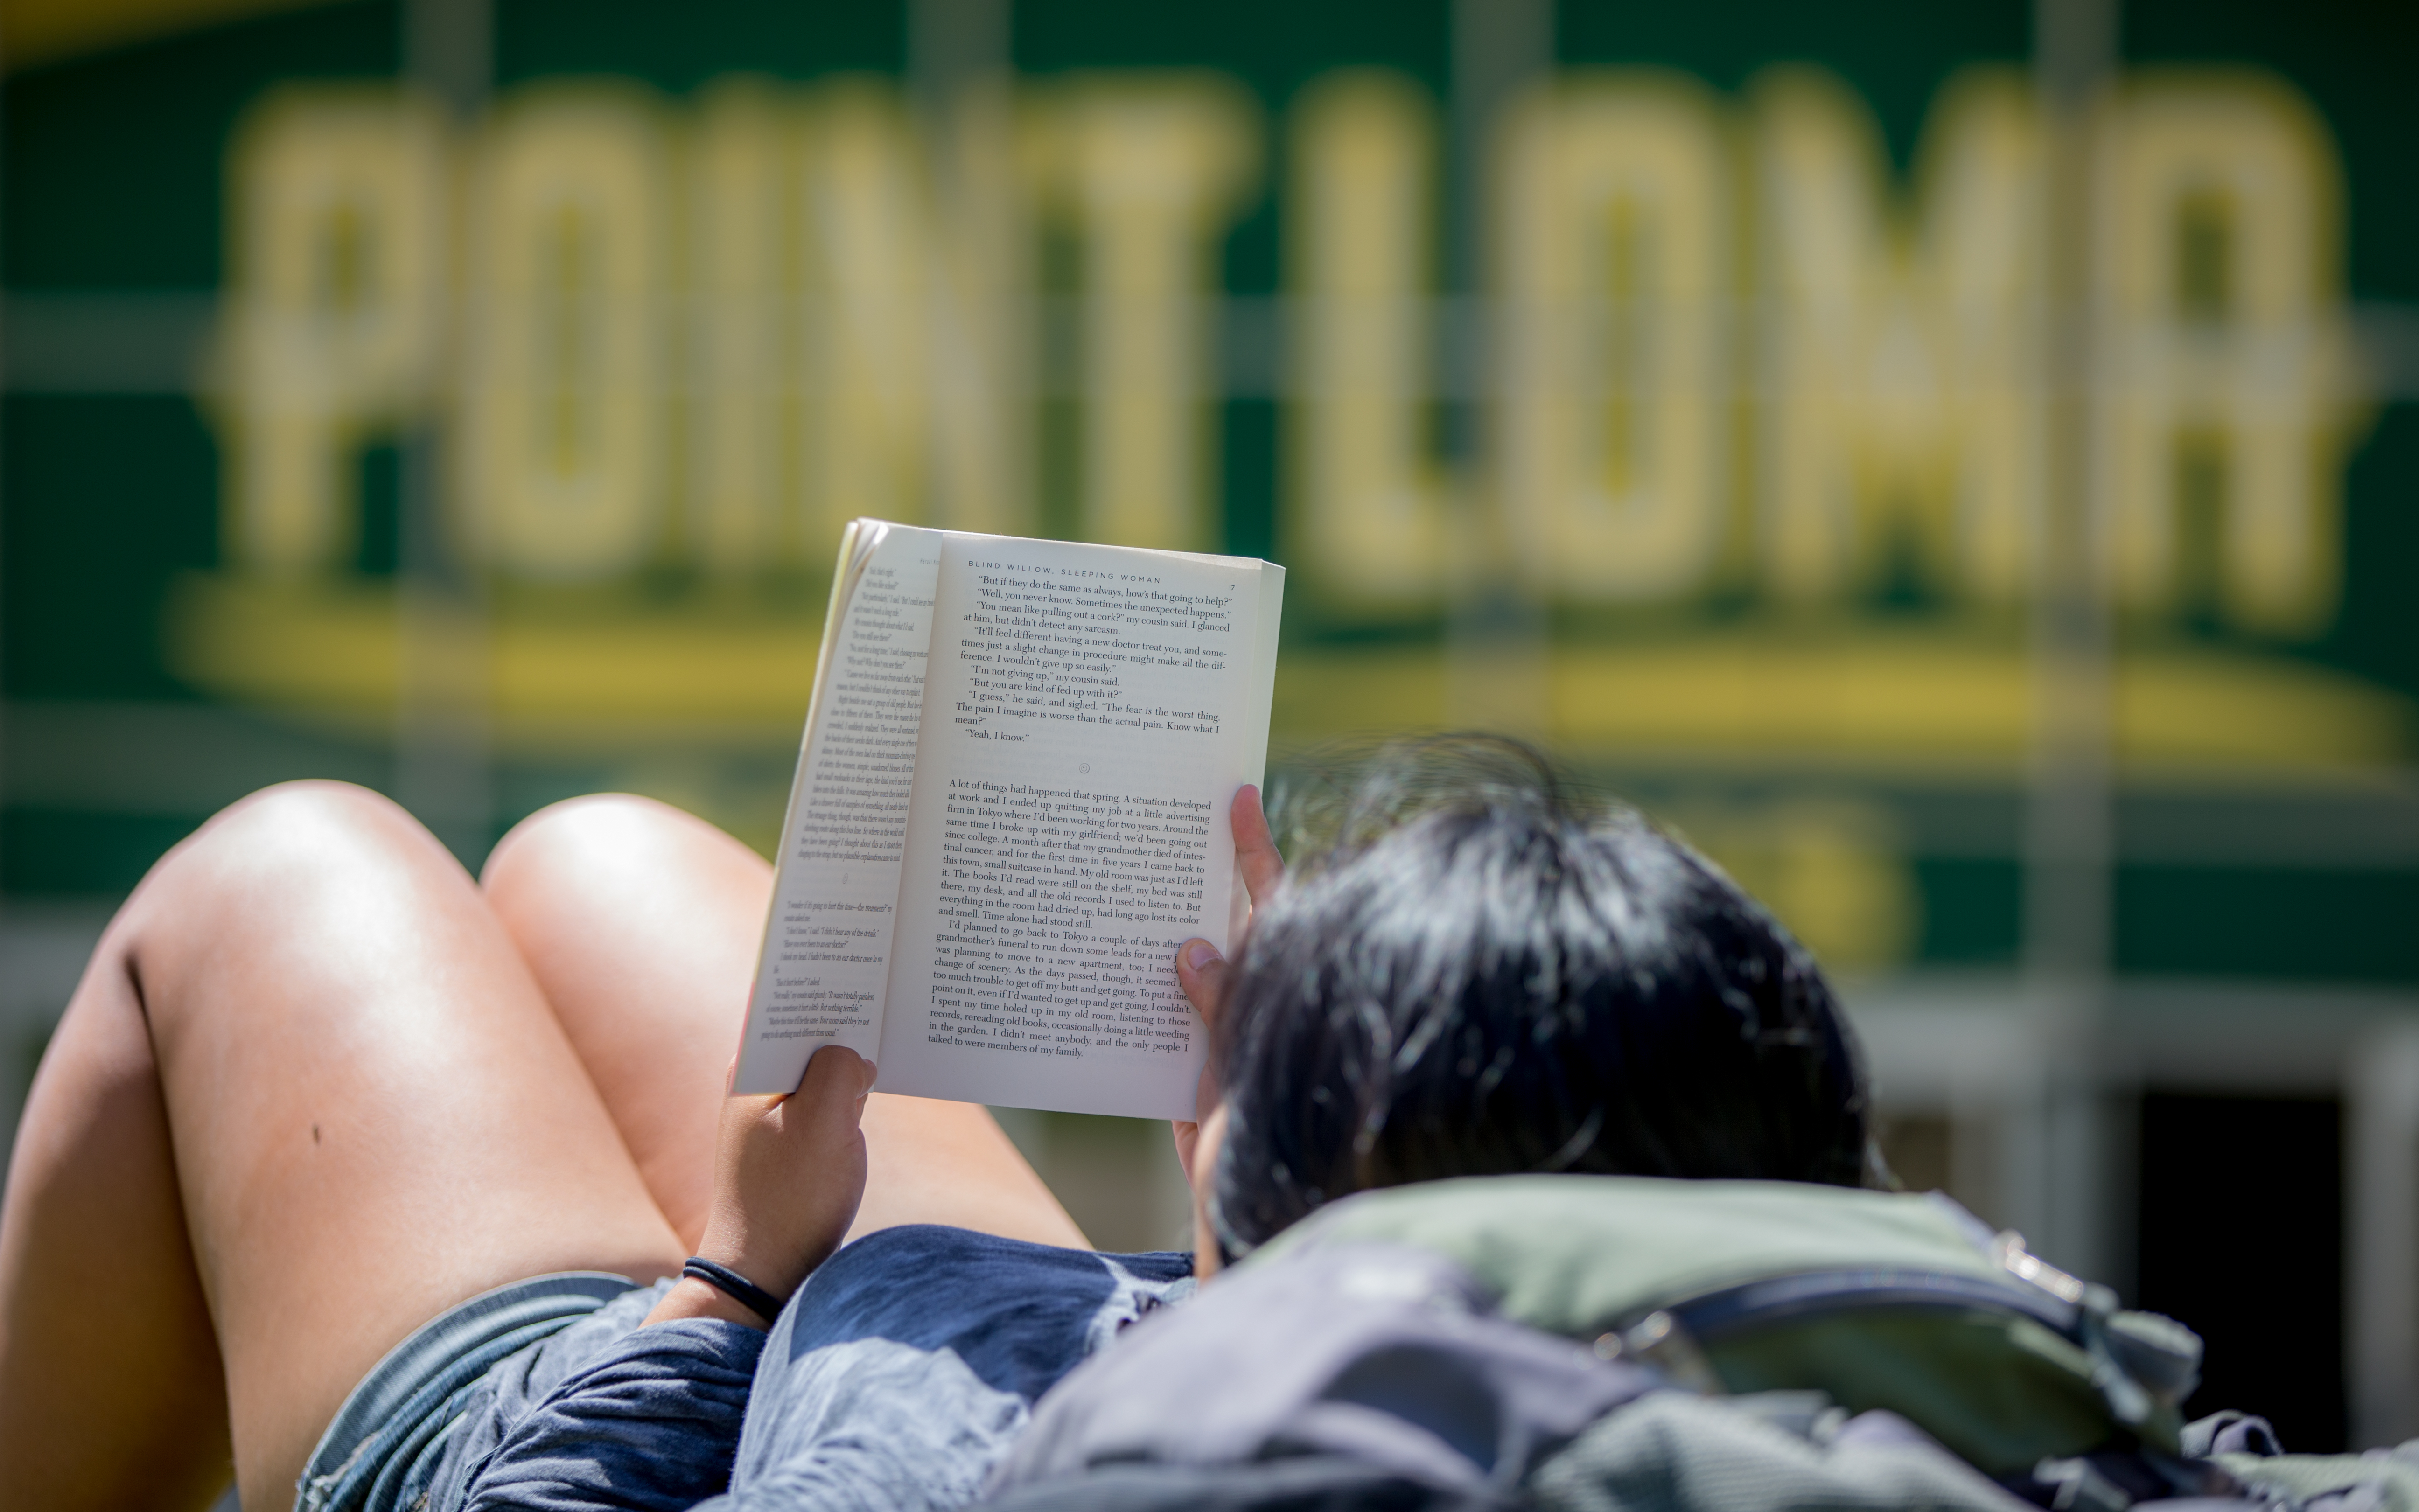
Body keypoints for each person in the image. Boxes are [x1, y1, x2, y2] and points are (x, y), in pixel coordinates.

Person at [5, 737, 2138, 1512]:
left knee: (285, 865)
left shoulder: (1115, 1450)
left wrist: (732, 1278)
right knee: (598, 856)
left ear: (1295, 1181)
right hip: (1049, 1323)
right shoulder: (1875, 1403)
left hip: (682, 1421)